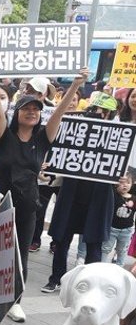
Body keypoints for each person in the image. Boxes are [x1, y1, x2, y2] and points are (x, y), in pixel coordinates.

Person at [0, 66, 81, 320]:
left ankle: (16, 300)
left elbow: (58, 115)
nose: (32, 112)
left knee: (20, 253)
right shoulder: (3, 137)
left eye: (36, 110)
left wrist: (74, 85)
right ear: (17, 112)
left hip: (28, 204)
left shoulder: (42, 139)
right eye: (26, 108)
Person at [44, 91, 122, 291]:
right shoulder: (76, 126)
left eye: (106, 112)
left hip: (100, 195)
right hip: (72, 191)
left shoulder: (119, 133)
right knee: (61, 238)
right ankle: (56, 279)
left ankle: (89, 286)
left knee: (94, 243)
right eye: (98, 110)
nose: (101, 114)